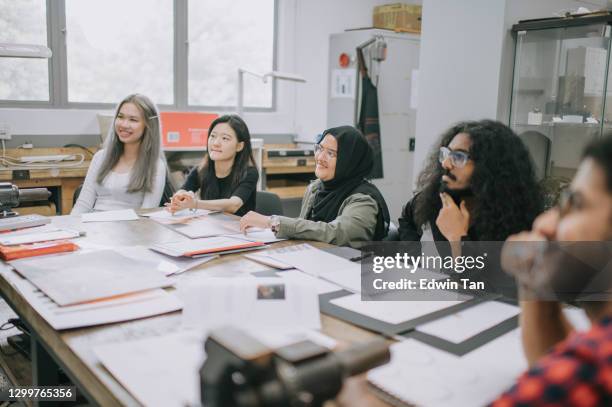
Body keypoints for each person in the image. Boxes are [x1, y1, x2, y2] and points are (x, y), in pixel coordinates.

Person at [492, 135, 612, 406]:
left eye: (574, 204)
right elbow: (554, 362)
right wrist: (535, 280)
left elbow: (566, 376)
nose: (545, 224)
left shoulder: (589, 372)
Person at [239, 126, 390, 249]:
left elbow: (338, 234)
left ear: (350, 161)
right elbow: (307, 230)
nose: (320, 157)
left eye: (331, 153)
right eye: (320, 148)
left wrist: (273, 222)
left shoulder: (364, 199)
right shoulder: (316, 188)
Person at [399, 120, 543, 244]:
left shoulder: (513, 222)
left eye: (459, 157)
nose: (446, 164)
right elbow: (407, 216)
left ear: (489, 167)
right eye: (446, 154)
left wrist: (457, 237)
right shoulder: (439, 197)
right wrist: (413, 259)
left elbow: (482, 275)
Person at [71, 94, 166, 214]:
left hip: (132, 229)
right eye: (120, 117)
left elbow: (146, 214)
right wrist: (72, 229)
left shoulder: (156, 166)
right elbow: (83, 205)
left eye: (133, 120)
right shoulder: (100, 157)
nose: (124, 125)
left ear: (148, 126)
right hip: (95, 228)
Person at [166, 115, 258, 216]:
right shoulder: (201, 169)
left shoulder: (249, 173)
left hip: (239, 229)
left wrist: (195, 204)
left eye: (225, 138)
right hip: (211, 227)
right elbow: (184, 189)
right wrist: (179, 198)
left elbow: (234, 205)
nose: (215, 143)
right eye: (213, 136)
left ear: (239, 146)